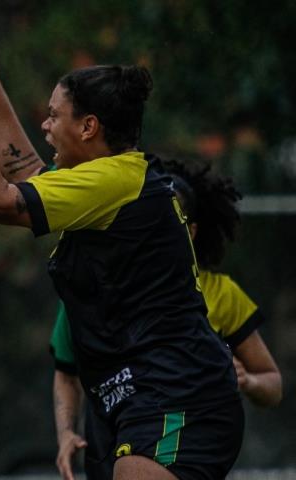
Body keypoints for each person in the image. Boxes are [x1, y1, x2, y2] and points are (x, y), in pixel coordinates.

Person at [0, 2, 243, 479]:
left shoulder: (111, 181)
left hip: (177, 392)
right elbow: (28, 173)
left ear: (89, 127)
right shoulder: (103, 181)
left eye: (54, 116)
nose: (45, 125)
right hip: (136, 395)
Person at [51, 158, 283, 480]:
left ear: (189, 230)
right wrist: (65, 432)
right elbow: (65, 372)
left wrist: (249, 381)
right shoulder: (92, 292)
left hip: (168, 442)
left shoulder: (220, 294)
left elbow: (273, 383)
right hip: (107, 443)